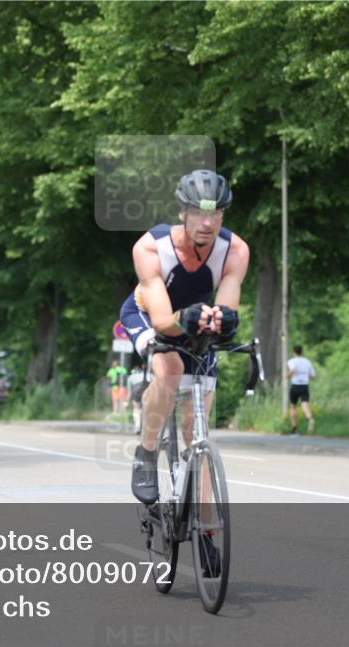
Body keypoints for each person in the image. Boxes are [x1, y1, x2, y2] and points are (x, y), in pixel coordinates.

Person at [121, 170, 248, 501]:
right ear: (183, 213)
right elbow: (164, 321)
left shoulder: (235, 250)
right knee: (171, 371)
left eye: (216, 213)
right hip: (149, 315)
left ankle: (205, 527)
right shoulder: (151, 247)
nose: (208, 222)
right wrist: (187, 318)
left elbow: (226, 311)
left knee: (196, 429)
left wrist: (224, 322)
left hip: (195, 321)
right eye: (199, 213)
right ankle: (146, 453)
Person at [286, 345, 316, 434]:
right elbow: (313, 376)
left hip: (295, 385)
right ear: (302, 352)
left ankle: (294, 425)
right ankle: (309, 418)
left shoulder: (291, 361)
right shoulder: (307, 362)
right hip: (304, 385)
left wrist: (287, 376)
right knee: (305, 404)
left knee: (293, 406)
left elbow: (292, 371)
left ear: (294, 352)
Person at [126, 361, 148, 434]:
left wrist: (126, 402)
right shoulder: (150, 375)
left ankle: (137, 426)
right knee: (148, 410)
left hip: (137, 392)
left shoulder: (131, 377)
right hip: (148, 391)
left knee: (136, 409)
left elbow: (129, 392)